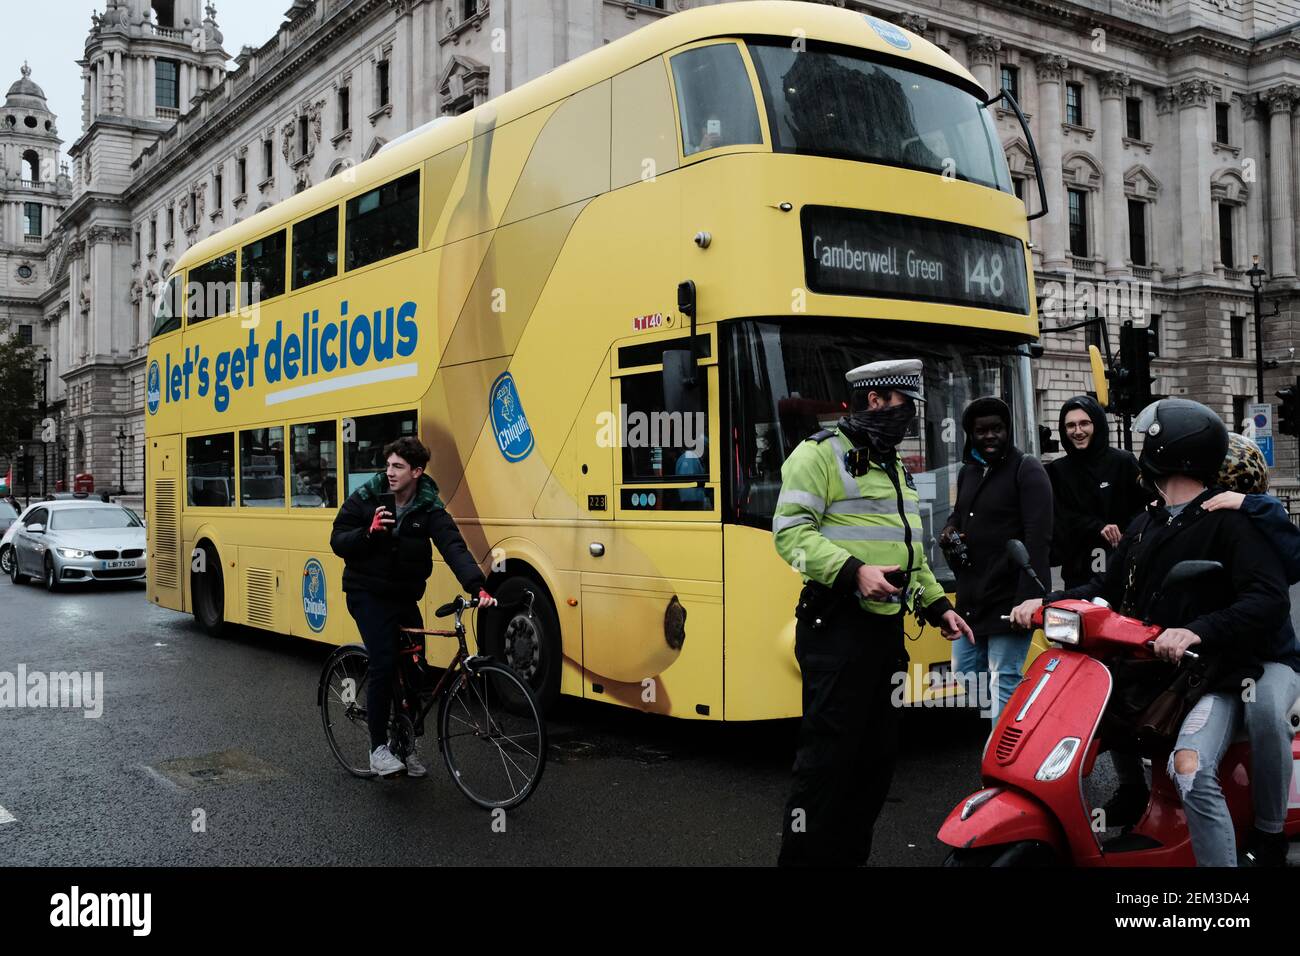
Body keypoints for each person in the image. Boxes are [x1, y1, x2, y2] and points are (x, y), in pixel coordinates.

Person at [1011, 400, 1290, 866]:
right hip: (1150, 671)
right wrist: (1046, 603)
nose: (1141, 452)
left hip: (1210, 675)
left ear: (1169, 450)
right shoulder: (1148, 522)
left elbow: (1268, 600)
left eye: (1148, 442)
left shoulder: (1230, 522)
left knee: (1192, 770)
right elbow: (1106, 587)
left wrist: (1194, 632)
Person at [772, 358, 974, 867]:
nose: (909, 420)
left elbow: (911, 550)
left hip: (884, 637)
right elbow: (790, 536)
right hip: (835, 628)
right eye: (905, 407)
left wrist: (934, 605)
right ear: (876, 400)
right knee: (827, 765)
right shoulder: (817, 456)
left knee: (875, 763)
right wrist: (853, 571)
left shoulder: (894, 465)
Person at [330, 436, 497, 778]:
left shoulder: (429, 507)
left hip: (403, 596)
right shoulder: (368, 497)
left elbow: (453, 547)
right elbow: (337, 539)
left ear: (417, 472)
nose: (389, 472)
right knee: (384, 662)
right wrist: (369, 533)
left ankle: (404, 745)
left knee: (416, 669)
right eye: (388, 465)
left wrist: (478, 586)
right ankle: (377, 748)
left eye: (398, 467)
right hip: (366, 593)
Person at [1201, 433, 1300, 866]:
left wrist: (1251, 506)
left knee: (1263, 713)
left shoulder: (1262, 515)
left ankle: (1270, 833)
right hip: (1217, 656)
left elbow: (1297, 559)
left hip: (1271, 659)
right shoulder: (1195, 515)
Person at [939, 396, 1052, 720]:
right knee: (965, 671)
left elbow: (1039, 539)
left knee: (1005, 678)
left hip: (1010, 597)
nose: (990, 436)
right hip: (973, 596)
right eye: (981, 430)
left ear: (1008, 431)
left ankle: (1002, 761)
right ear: (970, 435)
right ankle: (1015, 727)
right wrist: (949, 528)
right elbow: (959, 514)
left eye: (997, 429)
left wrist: (1029, 599)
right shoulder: (968, 472)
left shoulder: (1026, 468)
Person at [1046, 395, 1145, 588]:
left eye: (1084, 424)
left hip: (1124, 565)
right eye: (1071, 426)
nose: (1078, 431)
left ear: (1097, 425)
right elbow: (1060, 517)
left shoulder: (1123, 462)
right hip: (1079, 572)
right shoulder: (1056, 471)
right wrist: (1097, 526)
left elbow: (1146, 506)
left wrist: (1127, 534)